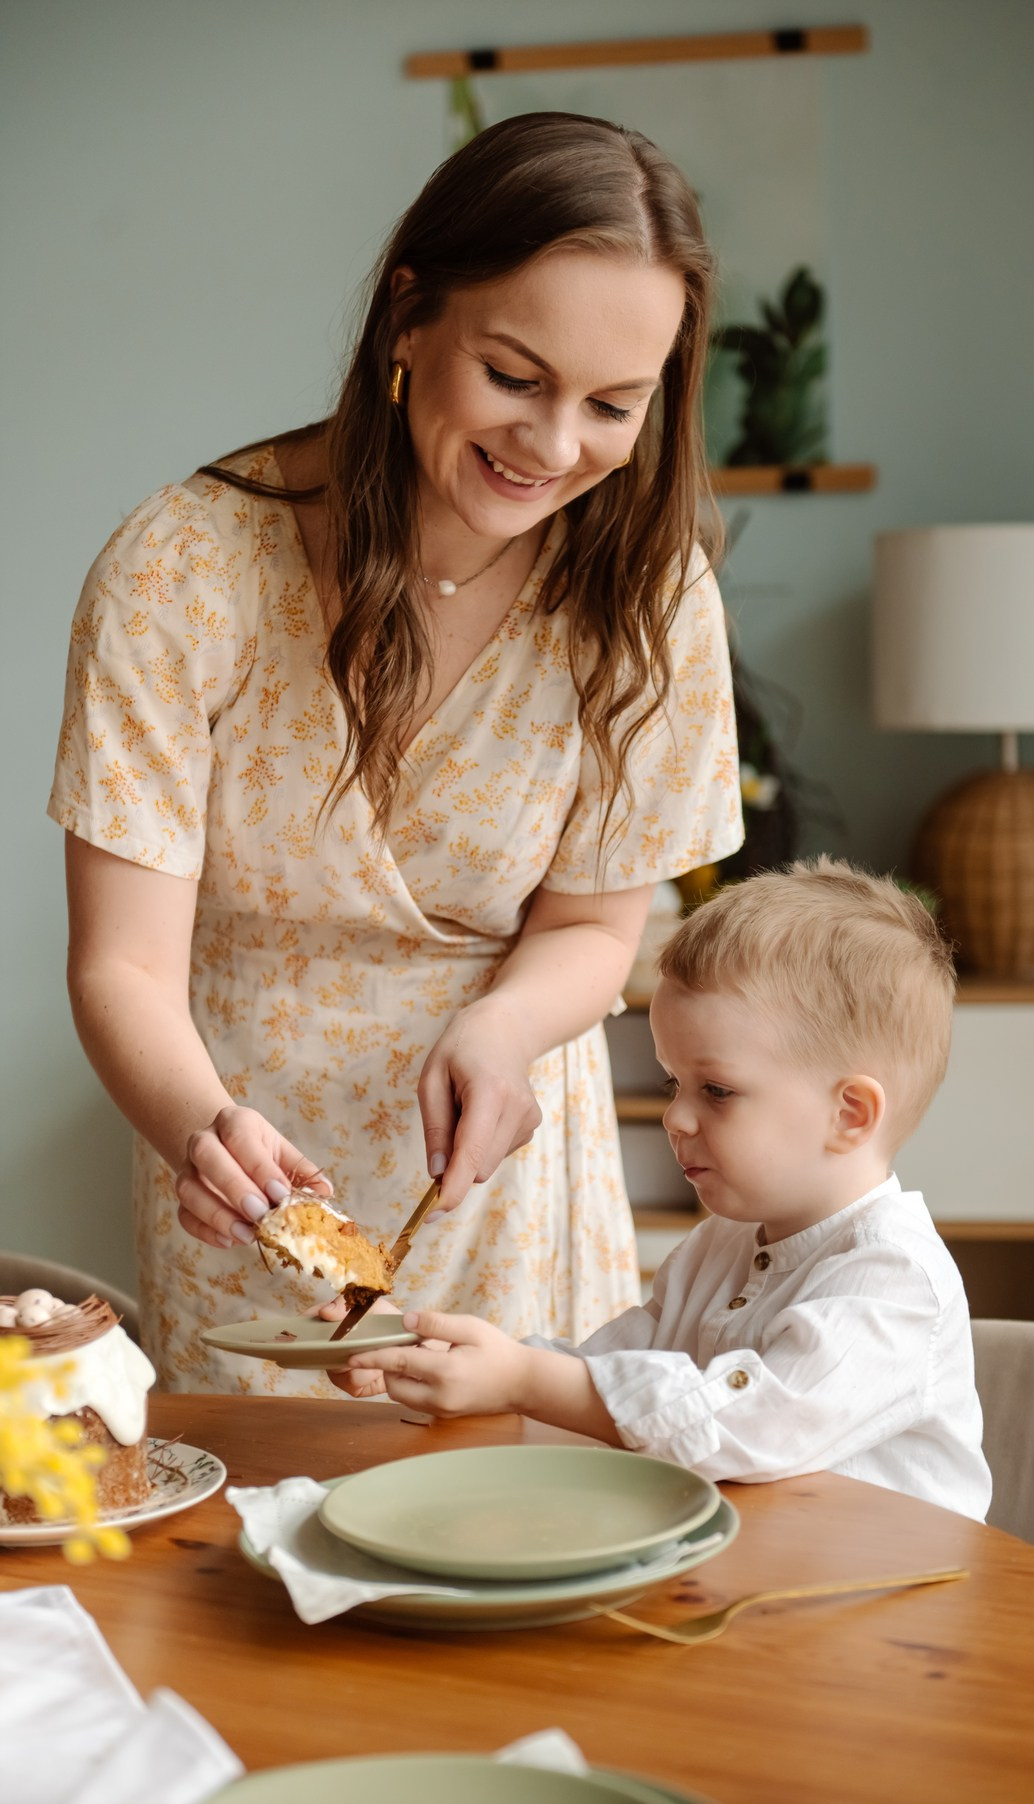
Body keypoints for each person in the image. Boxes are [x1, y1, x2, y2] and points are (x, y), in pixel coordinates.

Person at [49, 113, 742, 1394]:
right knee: (248, 1578)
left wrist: (505, 1027)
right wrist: (209, 1135)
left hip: (507, 1193)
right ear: (410, 316)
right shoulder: (182, 569)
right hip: (240, 1182)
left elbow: (594, 926)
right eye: (516, 377)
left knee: (522, 1551)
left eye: (612, 405)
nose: (552, 447)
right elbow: (122, 963)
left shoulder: (651, 600)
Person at [336, 858, 993, 1521]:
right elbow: (607, 1375)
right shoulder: (720, 1246)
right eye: (670, 1085)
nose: (676, 1117)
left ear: (849, 1115)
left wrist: (527, 1381)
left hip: (883, 1608)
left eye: (716, 1090)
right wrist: (431, 1355)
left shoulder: (894, 1281)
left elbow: (750, 1424)